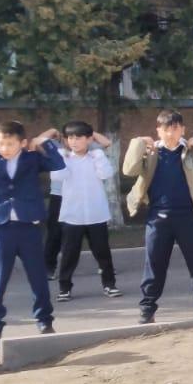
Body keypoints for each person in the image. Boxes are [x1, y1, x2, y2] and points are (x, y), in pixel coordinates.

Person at [0, 122, 66, 348]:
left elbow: (58, 163)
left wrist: (45, 143)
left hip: (28, 226)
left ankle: (44, 320)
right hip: (1, 228)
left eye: (10, 144)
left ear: (22, 143)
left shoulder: (32, 159)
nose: (5, 148)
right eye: (1, 143)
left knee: (38, 277)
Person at [124, 110, 193, 324]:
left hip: (188, 215)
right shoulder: (150, 152)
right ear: (158, 130)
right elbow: (129, 170)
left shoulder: (191, 151)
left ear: (182, 130)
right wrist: (138, 143)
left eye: (175, 128)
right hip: (157, 217)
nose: (170, 133)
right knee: (154, 263)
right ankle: (147, 307)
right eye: (166, 129)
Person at [52, 121, 119, 302]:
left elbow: (106, 174)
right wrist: (62, 159)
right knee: (69, 254)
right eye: (70, 138)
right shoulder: (64, 157)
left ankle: (109, 284)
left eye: (79, 138)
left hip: (96, 214)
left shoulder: (96, 156)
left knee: (102, 253)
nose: (74, 142)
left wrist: (98, 154)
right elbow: (57, 176)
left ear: (89, 139)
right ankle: (64, 288)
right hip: (72, 215)